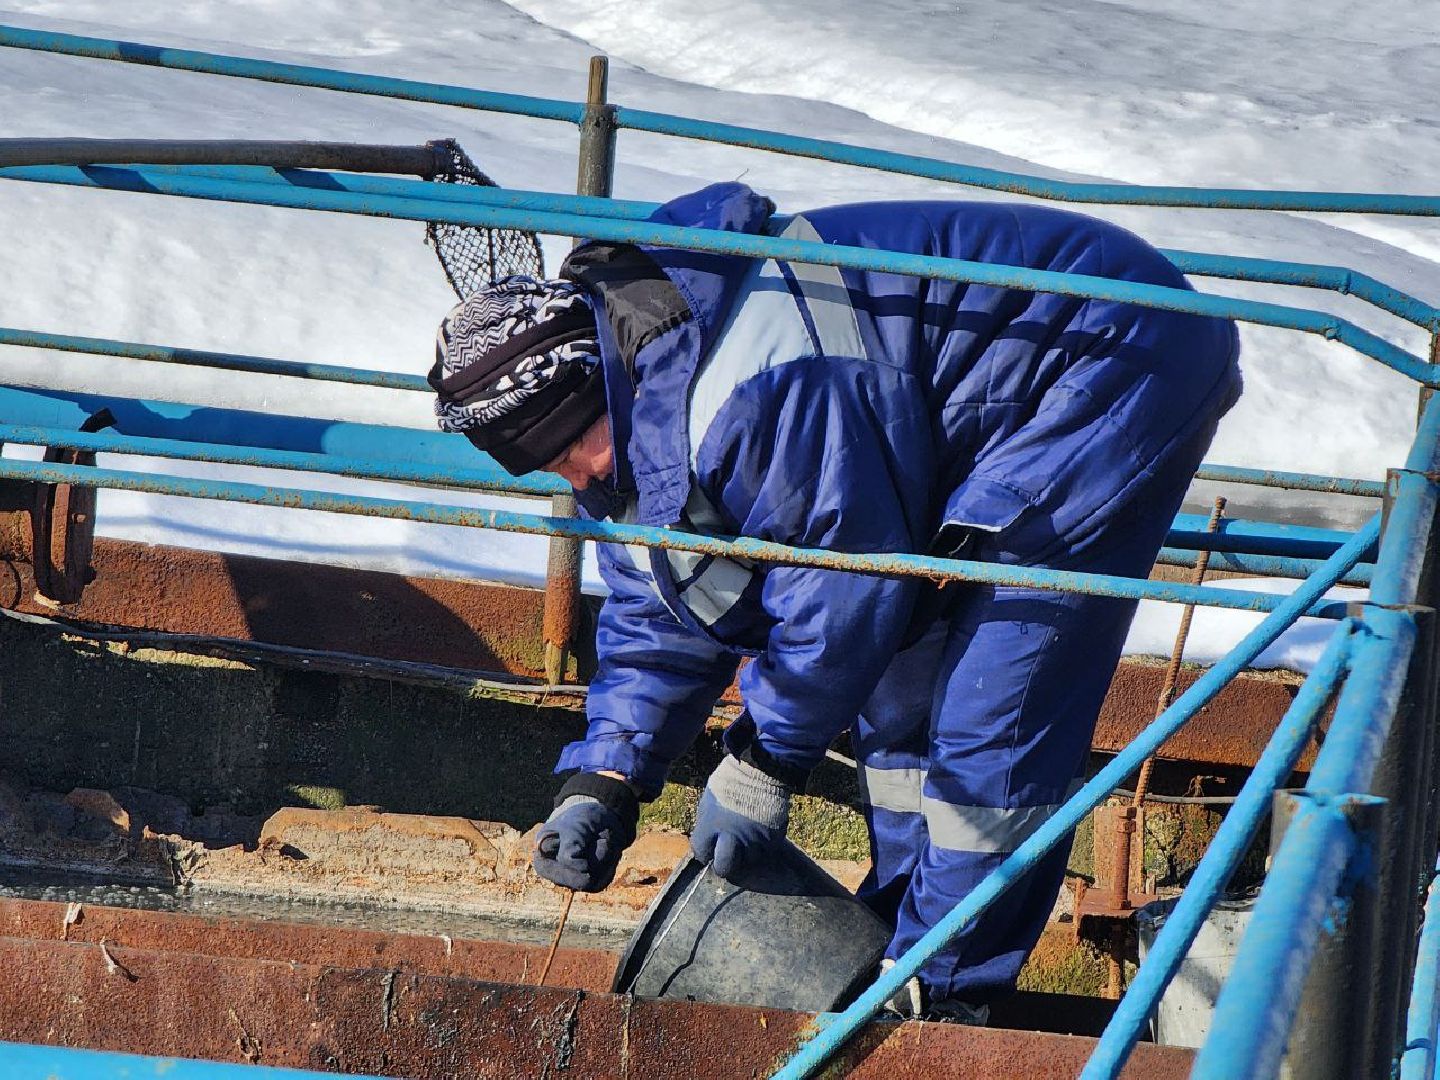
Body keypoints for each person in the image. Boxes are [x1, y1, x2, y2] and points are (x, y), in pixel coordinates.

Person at [428, 183, 1241, 1021]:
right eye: (545, 469)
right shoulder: (639, 413)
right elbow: (663, 609)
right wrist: (604, 778)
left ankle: (940, 994)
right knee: (898, 696)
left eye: (570, 448)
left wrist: (766, 761)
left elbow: (843, 595)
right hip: (962, 422)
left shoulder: (749, 387)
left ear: (596, 382)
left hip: (1107, 358)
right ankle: (891, 944)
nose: (578, 478)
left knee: (994, 711)